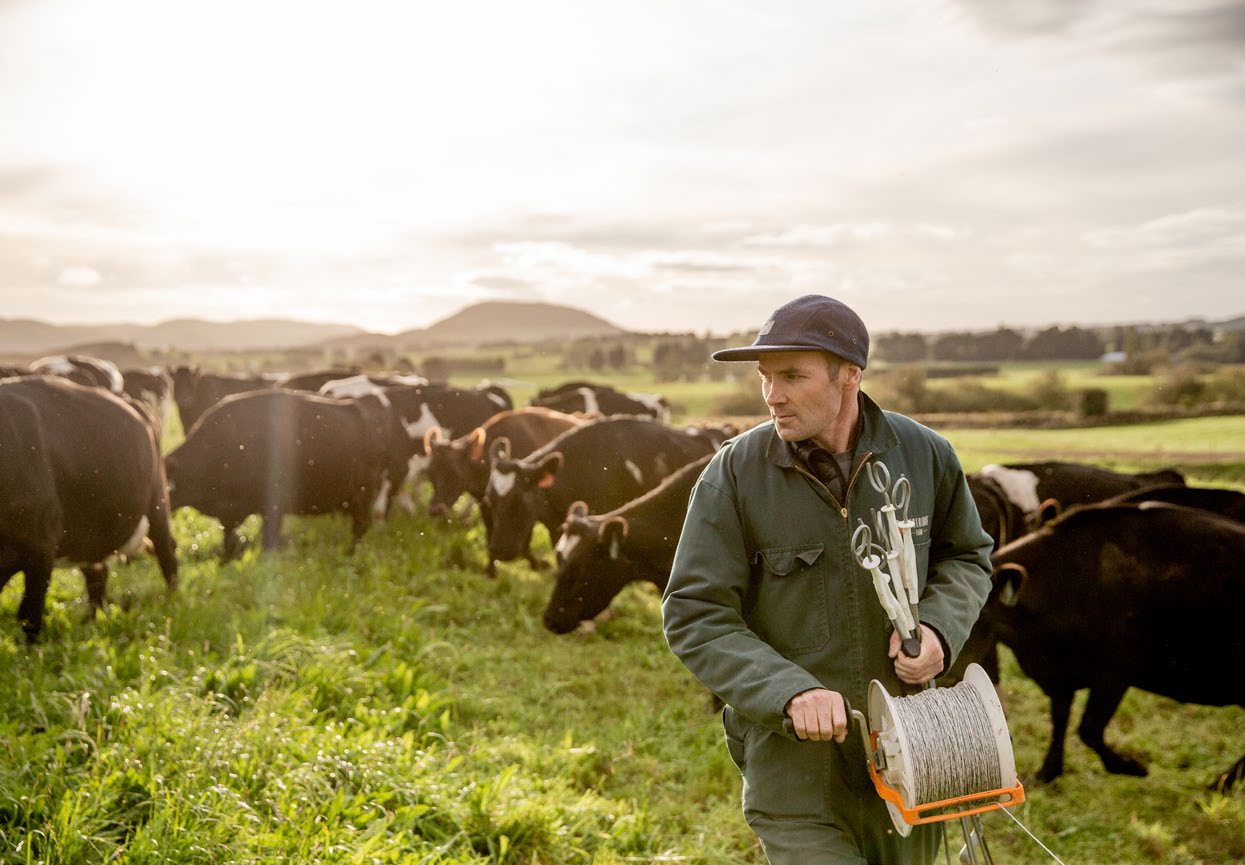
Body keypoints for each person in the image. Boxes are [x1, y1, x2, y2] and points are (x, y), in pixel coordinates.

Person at [661, 294, 993, 865]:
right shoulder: (734, 474)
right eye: (766, 377)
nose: (773, 394)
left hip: (913, 754)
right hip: (795, 769)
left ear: (850, 376)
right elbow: (695, 612)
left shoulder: (925, 454)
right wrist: (788, 692)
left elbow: (967, 557)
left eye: (792, 375)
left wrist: (938, 627)